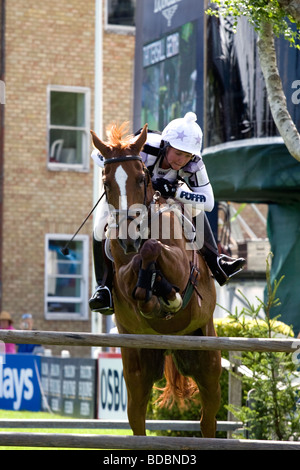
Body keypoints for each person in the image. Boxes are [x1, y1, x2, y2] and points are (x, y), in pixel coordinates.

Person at [89, 112, 245, 313]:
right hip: (129, 195)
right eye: (178, 153)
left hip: (168, 195)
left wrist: (177, 191)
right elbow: (97, 155)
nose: (182, 160)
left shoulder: (194, 163)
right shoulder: (146, 147)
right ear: (166, 145)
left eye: (187, 155)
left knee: (195, 206)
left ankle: (217, 261)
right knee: (99, 227)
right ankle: (103, 288)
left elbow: (208, 202)